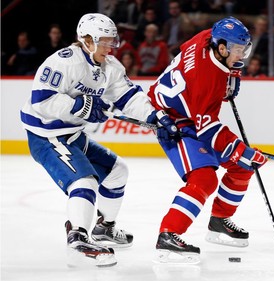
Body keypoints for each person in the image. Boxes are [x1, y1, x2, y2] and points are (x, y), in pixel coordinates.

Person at [20, 13, 177, 267]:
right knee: (85, 181)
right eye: (103, 41)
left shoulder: (110, 67)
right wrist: (81, 106)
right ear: (86, 40)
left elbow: (128, 97)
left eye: (111, 41)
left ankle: (104, 227)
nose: (109, 47)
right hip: (47, 136)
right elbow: (42, 101)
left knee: (117, 172)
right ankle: (78, 238)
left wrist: (155, 117)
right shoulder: (63, 62)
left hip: (73, 135)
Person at [146, 17, 267, 263]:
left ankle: (219, 222)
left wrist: (231, 73)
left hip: (191, 111)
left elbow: (185, 51)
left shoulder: (206, 37)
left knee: (243, 166)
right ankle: (169, 235)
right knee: (204, 178)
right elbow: (208, 129)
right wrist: (240, 149)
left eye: (243, 48)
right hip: (171, 120)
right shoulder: (207, 79)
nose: (242, 53)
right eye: (237, 50)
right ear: (221, 48)